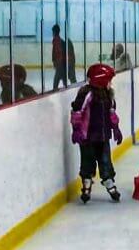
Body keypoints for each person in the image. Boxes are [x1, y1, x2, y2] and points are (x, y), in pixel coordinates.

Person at [70, 63, 122, 203]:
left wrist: (116, 128)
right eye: (109, 80)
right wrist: (76, 129)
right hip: (87, 137)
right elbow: (77, 112)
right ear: (101, 80)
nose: (111, 83)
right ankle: (86, 184)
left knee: (106, 161)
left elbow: (112, 113)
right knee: (87, 161)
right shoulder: (87, 94)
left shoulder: (108, 95)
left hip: (103, 137)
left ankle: (109, 183)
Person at [51, 25, 73, 89]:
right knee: (63, 77)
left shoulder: (56, 40)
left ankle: (55, 89)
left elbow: (58, 52)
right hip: (62, 63)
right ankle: (66, 87)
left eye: (53, 32)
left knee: (57, 78)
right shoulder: (60, 40)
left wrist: (56, 62)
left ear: (54, 32)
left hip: (60, 63)